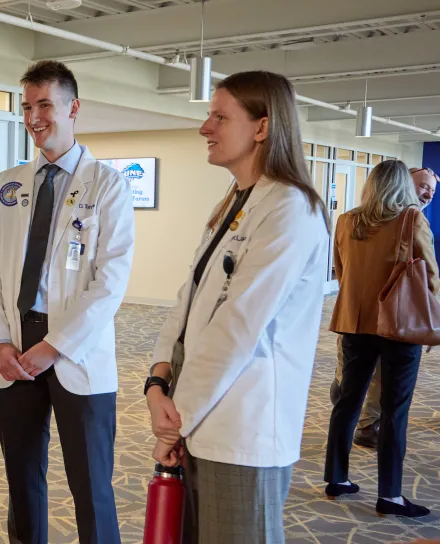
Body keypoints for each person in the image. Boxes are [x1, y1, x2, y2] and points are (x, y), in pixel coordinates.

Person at [145, 71, 329, 544]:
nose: (205, 128)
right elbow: (188, 301)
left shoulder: (290, 210)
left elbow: (236, 328)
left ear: (262, 127)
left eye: (220, 117)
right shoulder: (235, 203)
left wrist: (174, 422)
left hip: (242, 430)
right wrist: (157, 379)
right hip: (199, 418)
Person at [0, 60, 134, 544]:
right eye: (27, 107)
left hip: (74, 348)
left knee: (91, 485)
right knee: (22, 481)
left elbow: (110, 281)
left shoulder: (107, 184)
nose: (34, 117)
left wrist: (55, 345)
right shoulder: (9, 184)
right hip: (14, 346)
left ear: (73, 108)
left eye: (45, 104)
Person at [323, 160, 438, 518]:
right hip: (399, 327)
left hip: (354, 322)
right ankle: (390, 495)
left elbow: (341, 270)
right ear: (404, 185)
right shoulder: (411, 219)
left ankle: (336, 478)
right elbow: (430, 276)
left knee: (347, 403)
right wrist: (432, 321)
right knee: (393, 411)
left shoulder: (347, 220)